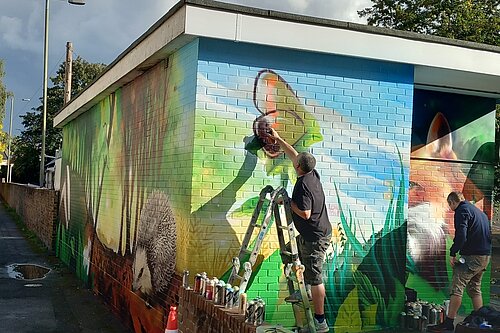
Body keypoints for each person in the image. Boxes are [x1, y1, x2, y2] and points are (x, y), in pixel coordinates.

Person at [268, 128, 332, 333]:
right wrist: (278, 139)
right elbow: (294, 154)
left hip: (316, 237)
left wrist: (286, 201)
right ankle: (302, 291)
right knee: (290, 253)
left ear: (298, 167)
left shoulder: (304, 185)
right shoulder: (312, 173)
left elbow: (305, 213)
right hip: (311, 233)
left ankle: (320, 320)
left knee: (315, 276)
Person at [428, 191, 491, 332]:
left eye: (449, 204)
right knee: (475, 289)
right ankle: (480, 322)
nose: (450, 207)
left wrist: (452, 252)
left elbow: (461, 235)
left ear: (451, 202)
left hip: (472, 257)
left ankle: (448, 323)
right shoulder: (478, 212)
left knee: (457, 287)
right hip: (485, 256)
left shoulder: (461, 211)